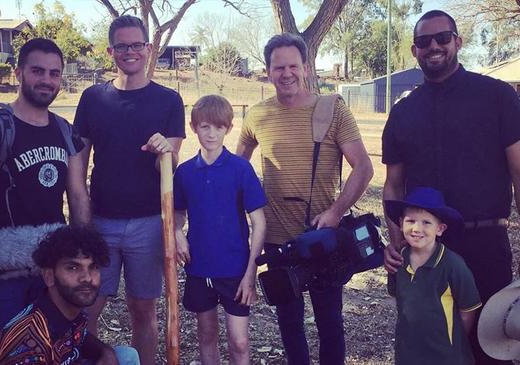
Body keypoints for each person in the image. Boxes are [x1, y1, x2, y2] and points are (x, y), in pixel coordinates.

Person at [381, 9, 520, 365]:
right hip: (425, 247)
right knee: (428, 346)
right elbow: (393, 185)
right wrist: (396, 241)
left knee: (488, 348)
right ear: (414, 51)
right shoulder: (403, 112)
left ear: (457, 41)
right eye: (424, 42)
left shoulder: (497, 97)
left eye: (442, 37)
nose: (434, 46)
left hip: (485, 245)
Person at [236, 33, 374, 364]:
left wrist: (337, 212)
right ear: (267, 71)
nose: (286, 74)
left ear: (306, 68)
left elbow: (364, 169)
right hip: (277, 240)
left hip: (321, 240)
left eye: (293, 66)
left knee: (330, 323)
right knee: (289, 324)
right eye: (278, 67)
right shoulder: (256, 116)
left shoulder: (332, 110)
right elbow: (237, 169)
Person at [0, 38, 90, 361]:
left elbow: (77, 194)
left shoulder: (65, 132)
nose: (46, 80)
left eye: (54, 73)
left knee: (55, 352)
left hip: (52, 272)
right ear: (18, 73)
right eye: (37, 71)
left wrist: (85, 256)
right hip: (3, 277)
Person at [73, 15, 185, 365]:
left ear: (149, 49)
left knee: (143, 309)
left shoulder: (169, 101)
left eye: (137, 44)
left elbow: (169, 167)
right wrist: (82, 221)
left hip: (149, 224)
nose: (130, 51)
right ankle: (85, 360)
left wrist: (164, 150)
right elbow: (77, 165)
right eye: (122, 45)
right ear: (111, 51)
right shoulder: (93, 98)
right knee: (87, 305)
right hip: (101, 222)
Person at [173, 95, 266, 364]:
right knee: (207, 336)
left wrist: (251, 273)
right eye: (204, 127)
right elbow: (177, 214)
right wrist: (177, 232)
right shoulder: (185, 172)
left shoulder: (240, 169)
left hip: (235, 270)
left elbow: (259, 222)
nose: (211, 133)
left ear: (229, 128)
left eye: (218, 127)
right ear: (193, 128)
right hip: (200, 268)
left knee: (239, 341)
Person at [0, 225, 140, 365]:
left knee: (125, 356)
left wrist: (105, 351)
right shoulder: (29, 346)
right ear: (48, 276)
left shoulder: (65, 310)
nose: (86, 277)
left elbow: (81, 335)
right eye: (73, 268)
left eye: (93, 267)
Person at [385, 187, 482, 365]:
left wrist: (453, 342)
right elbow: (400, 299)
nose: (416, 228)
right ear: (400, 223)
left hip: (445, 356)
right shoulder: (399, 259)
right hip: (408, 353)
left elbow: (468, 310)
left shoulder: (453, 265)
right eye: (410, 221)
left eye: (426, 223)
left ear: (440, 228)